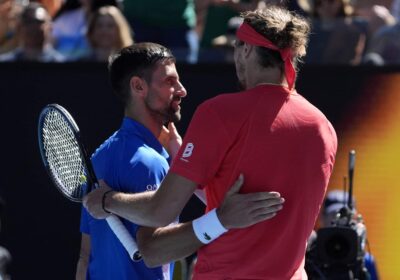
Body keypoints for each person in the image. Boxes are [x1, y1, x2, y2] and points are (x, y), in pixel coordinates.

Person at [84, 5, 337, 279]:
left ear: (247, 50)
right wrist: (182, 155)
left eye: (236, 48)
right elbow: (254, 200)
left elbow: (158, 213)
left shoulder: (218, 113)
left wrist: (108, 201)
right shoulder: (323, 127)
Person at [76, 42, 285, 279]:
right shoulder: (148, 162)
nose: (182, 90)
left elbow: (85, 256)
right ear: (138, 86)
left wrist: (179, 155)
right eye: (169, 81)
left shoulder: (100, 156)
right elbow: (157, 246)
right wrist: (220, 220)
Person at [306, 190, 379, 280]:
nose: (340, 222)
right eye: (334, 215)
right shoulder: (309, 257)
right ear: (321, 217)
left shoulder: (365, 261)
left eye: (345, 217)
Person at [0, 2, 65, 62]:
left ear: (50, 27)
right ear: (19, 27)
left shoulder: (61, 66)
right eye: (28, 22)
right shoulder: (5, 66)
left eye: (39, 22)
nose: (33, 27)